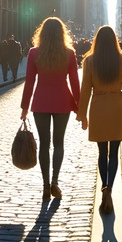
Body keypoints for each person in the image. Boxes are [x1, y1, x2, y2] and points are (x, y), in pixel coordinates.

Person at [77, 25, 122, 215]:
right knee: (115, 153)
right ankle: (109, 188)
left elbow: (85, 90)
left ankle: (104, 185)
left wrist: (82, 115)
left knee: (102, 152)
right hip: (116, 107)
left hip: (98, 107)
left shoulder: (89, 61)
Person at [20, 17, 80, 201]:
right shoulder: (69, 53)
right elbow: (74, 83)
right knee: (59, 143)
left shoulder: (34, 53)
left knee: (44, 144)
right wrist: (80, 106)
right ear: (62, 34)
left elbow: (29, 82)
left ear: (42, 33)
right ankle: (55, 181)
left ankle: (45, 185)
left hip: (41, 102)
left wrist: (24, 107)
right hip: (62, 102)